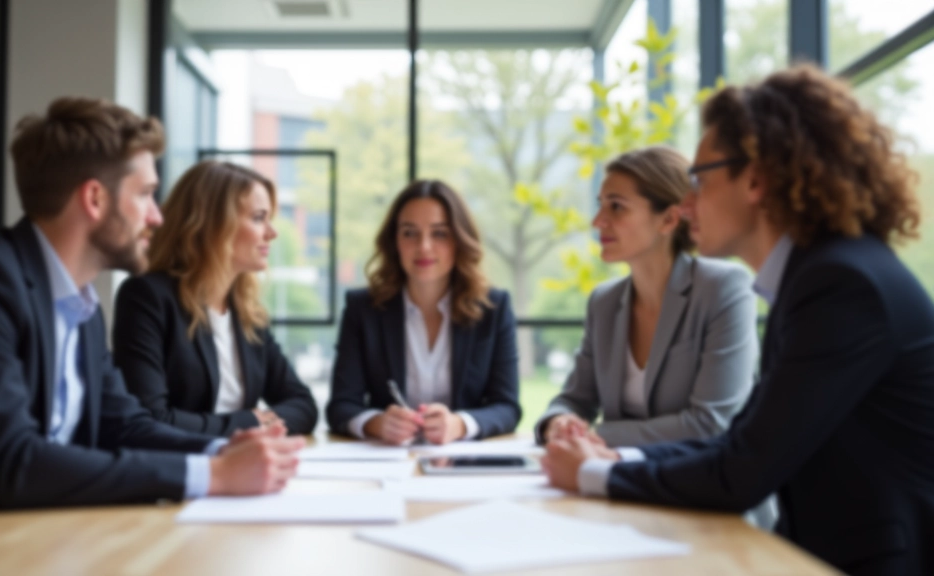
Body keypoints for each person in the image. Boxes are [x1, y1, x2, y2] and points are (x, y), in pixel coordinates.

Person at [542, 65, 934, 575]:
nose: (686, 204)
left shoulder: (840, 284)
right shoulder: (818, 275)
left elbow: (745, 467)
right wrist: (609, 460)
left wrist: (596, 473)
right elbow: (742, 443)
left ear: (754, 180)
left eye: (699, 181)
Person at [0, 98, 303, 537]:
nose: (157, 216)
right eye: (145, 194)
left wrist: (223, 449)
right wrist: (213, 475)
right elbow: (13, 460)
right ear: (95, 198)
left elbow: (125, 425)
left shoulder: (81, 304)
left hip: (50, 535)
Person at [535, 146, 757, 448]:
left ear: (669, 220)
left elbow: (710, 423)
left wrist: (593, 436)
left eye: (616, 206)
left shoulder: (723, 288)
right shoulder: (604, 302)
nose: (598, 220)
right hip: (616, 473)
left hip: (699, 476)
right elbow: (575, 399)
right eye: (601, 205)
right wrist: (558, 422)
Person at [113, 160, 318, 436]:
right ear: (214, 224)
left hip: (241, 460)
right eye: (259, 218)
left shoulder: (247, 311)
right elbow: (150, 418)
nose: (272, 233)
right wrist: (248, 423)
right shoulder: (146, 297)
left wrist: (257, 424)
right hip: (179, 462)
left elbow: (304, 406)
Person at [326, 180, 521, 444]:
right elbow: (341, 406)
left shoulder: (493, 308)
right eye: (409, 233)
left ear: (459, 240)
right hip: (388, 458)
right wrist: (377, 423)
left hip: (463, 460)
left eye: (439, 233)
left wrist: (459, 424)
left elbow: (507, 407)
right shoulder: (363, 308)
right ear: (394, 240)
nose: (424, 246)